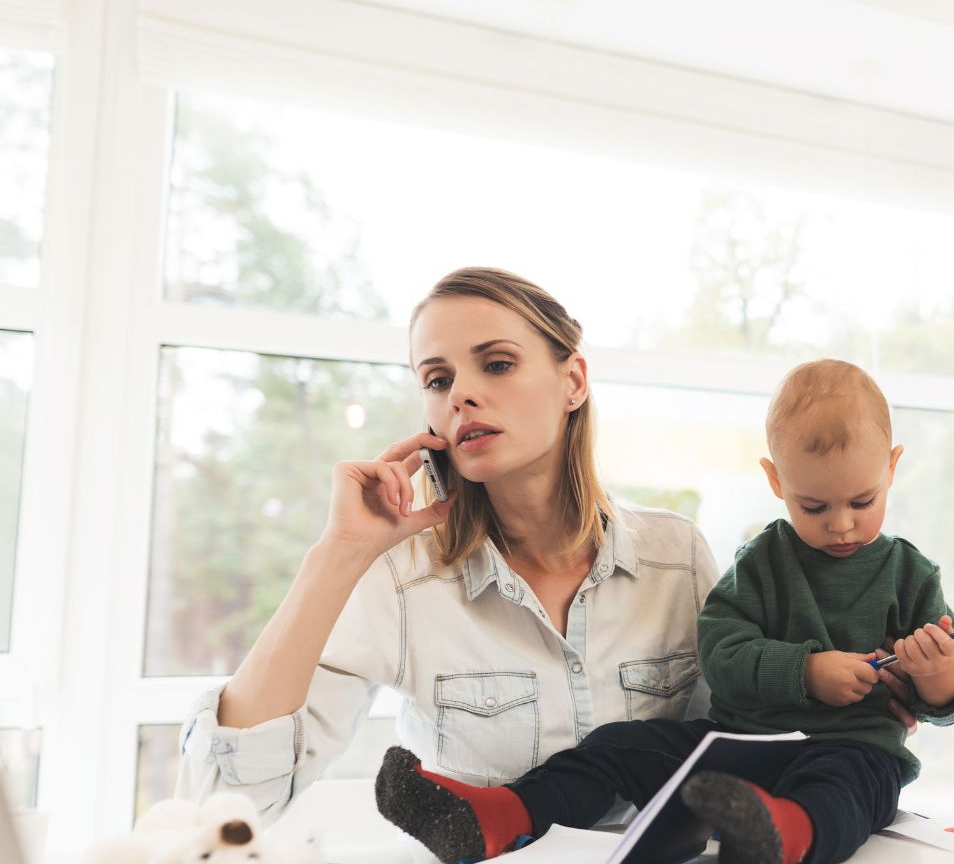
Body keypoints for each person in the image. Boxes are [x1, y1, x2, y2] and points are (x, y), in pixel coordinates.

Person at [376, 359, 954, 864]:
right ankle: (499, 816)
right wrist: (806, 673)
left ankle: (780, 836)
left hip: (855, 750)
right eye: (813, 506)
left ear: (892, 469)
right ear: (775, 481)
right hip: (742, 751)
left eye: (862, 502)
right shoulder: (762, 562)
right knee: (618, 746)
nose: (841, 524)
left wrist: (938, 676)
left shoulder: (909, 573)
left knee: (846, 787)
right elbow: (720, 653)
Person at [175, 267, 724, 820]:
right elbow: (226, 802)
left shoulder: (677, 557)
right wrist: (337, 554)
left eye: (497, 364)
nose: (461, 394)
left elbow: (729, 755)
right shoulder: (401, 576)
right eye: (437, 380)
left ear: (573, 382)